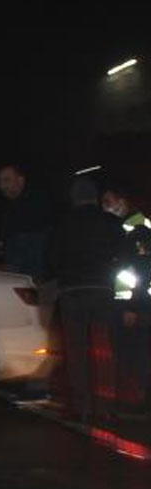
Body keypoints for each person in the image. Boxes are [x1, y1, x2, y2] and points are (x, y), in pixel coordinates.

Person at [46, 178, 128, 423]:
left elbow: (51, 259)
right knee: (103, 348)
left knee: (76, 350)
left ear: (74, 198)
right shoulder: (111, 223)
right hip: (102, 290)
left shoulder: (62, 225)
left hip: (72, 291)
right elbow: (124, 256)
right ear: (95, 197)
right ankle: (105, 406)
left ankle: (81, 406)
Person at [114, 225, 150, 415]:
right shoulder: (142, 260)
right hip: (142, 310)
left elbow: (134, 287)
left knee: (136, 355)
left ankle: (139, 398)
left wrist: (129, 309)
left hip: (137, 312)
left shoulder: (132, 262)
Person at [0, 164, 52, 280]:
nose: (2, 186)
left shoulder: (35, 202)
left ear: (20, 180)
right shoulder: (10, 206)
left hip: (29, 278)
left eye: (6, 180)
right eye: (0, 181)